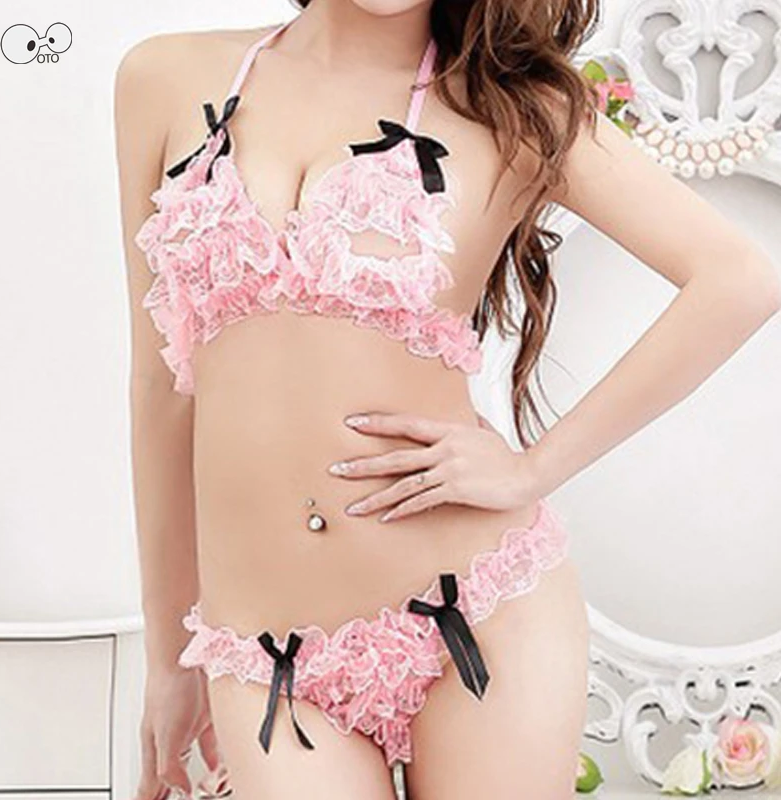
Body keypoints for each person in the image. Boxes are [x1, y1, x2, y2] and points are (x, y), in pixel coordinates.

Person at [113, 0, 780, 797]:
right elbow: (160, 384)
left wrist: (532, 469)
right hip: (267, 656)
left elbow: (737, 278)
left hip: (479, 615)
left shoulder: (514, 108)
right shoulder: (163, 77)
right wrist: (169, 659)